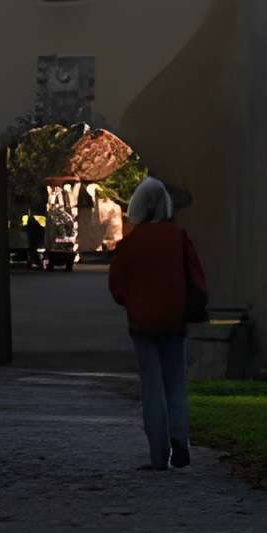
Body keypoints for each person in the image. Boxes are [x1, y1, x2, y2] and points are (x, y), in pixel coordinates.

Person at [105, 177, 206, 471]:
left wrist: (134, 302)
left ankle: (158, 454)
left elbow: (117, 286)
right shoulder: (178, 236)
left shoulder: (131, 242)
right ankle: (180, 439)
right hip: (174, 318)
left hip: (141, 320)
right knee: (175, 383)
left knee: (151, 385)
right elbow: (195, 276)